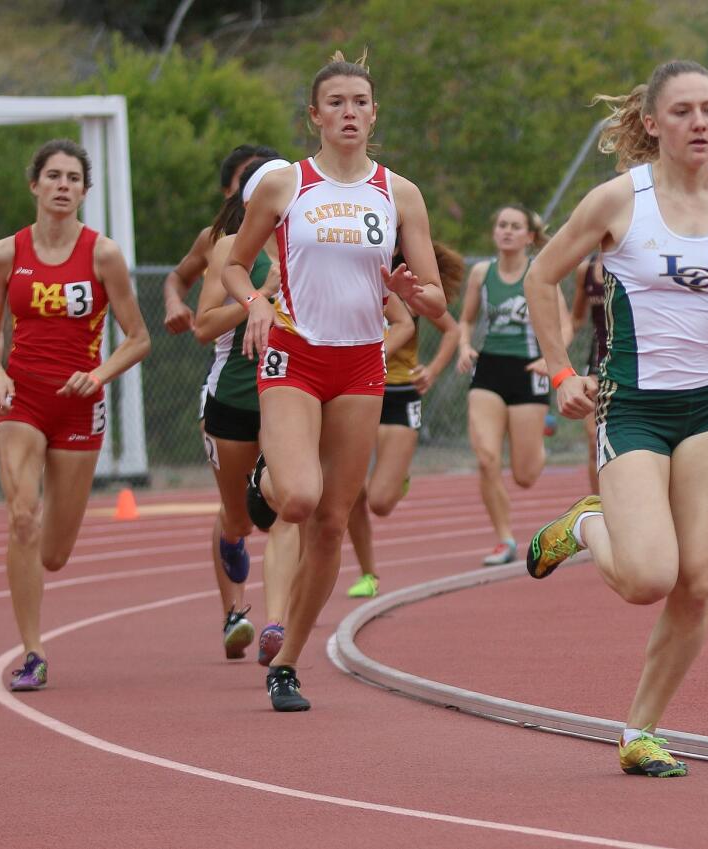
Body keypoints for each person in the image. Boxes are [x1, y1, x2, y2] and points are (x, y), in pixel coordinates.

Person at [521, 60, 708, 777]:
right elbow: (540, 276)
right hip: (632, 407)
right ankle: (585, 523)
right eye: (685, 112)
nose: (701, 124)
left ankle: (641, 729)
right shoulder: (618, 201)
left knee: (697, 582)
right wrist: (563, 370)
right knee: (647, 578)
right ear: (653, 123)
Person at [223, 51, 448, 712]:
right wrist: (257, 304)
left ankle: (287, 661)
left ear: (374, 114)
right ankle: (267, 473)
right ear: (315, 116)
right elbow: (237, 265)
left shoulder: (398, 193)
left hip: (360, 364)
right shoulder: (285, 185)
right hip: (293, 352)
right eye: (337, 103)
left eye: (361, 102)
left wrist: (416, 291)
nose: (350, 112)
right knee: (296, 497)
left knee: (329, 522)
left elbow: (434, 300)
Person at [0, 139, 151, 691]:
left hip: (79, 405)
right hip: (22, 400)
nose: (62, 186)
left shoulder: (102, 254)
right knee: (22, 517)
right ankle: (32, 652)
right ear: (34, 184)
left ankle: (40, 578)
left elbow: (139, 339)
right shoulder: (5, 254)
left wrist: (99, 375)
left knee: (53, 553)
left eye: (73, 179)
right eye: (52, 176)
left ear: (84, 190)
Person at [192, 155, 303, 665]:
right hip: (234, 399)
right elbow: (203, 326)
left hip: (289, 394)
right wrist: (263, 294)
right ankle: (234, 612)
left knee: (287, 506)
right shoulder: (229, 250)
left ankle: (274, 622)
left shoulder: (313, 238)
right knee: (238, 521)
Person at [345, 242, 464, 599]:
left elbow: (453, 330)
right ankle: (368, 574)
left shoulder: (405, 282)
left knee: (380, 501)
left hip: (398, 393)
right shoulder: (349, 272)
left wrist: (432, 370)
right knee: (349, 491)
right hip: (354, 391)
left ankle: (399, 477)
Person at [456, 205, 571, 565]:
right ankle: (505, 539)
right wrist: (464, 346)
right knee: (487, 458)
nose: (507, 231)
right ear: (495, 232)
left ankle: (539, 439)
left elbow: (564, 326)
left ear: (529, 237)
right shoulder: (481, 273)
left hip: (529, 372)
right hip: (489, 369)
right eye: (502, 225)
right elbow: (467, 320)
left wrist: (550, 359)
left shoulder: (539, 274)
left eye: (515, 226)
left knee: (525, 475)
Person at [163, 145, 279, 335]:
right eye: (249, 177)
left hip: (283, 358)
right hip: (234, 356)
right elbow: (179, 278)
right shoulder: (219, 240)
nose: (263, 186)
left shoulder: (298, 239)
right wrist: (174, 303)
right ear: (229, 191)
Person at [568, 250, 607, 495]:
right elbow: (575, 319)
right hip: (597, 363)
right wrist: (552, 356)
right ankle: (600, 506)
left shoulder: (640, 260)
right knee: (595, 441)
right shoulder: (586, 269)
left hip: (638, 363)